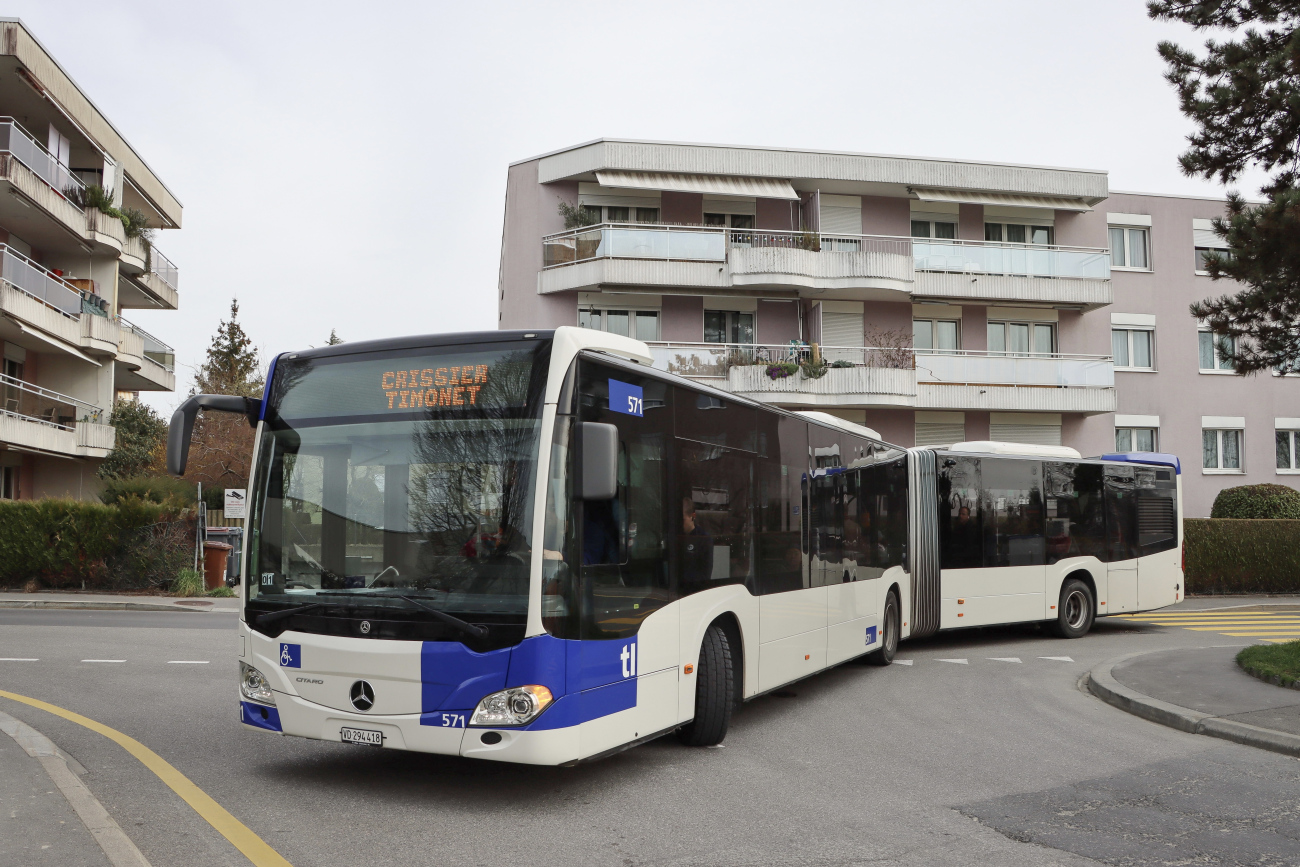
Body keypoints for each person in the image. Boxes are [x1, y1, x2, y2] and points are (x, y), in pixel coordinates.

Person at [680, 497, 713, 589]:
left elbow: (705, 574)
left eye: (683, 520)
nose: (680, 524)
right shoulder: (675, 537)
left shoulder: (703, 539)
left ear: (692, 516)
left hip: (694, 590)